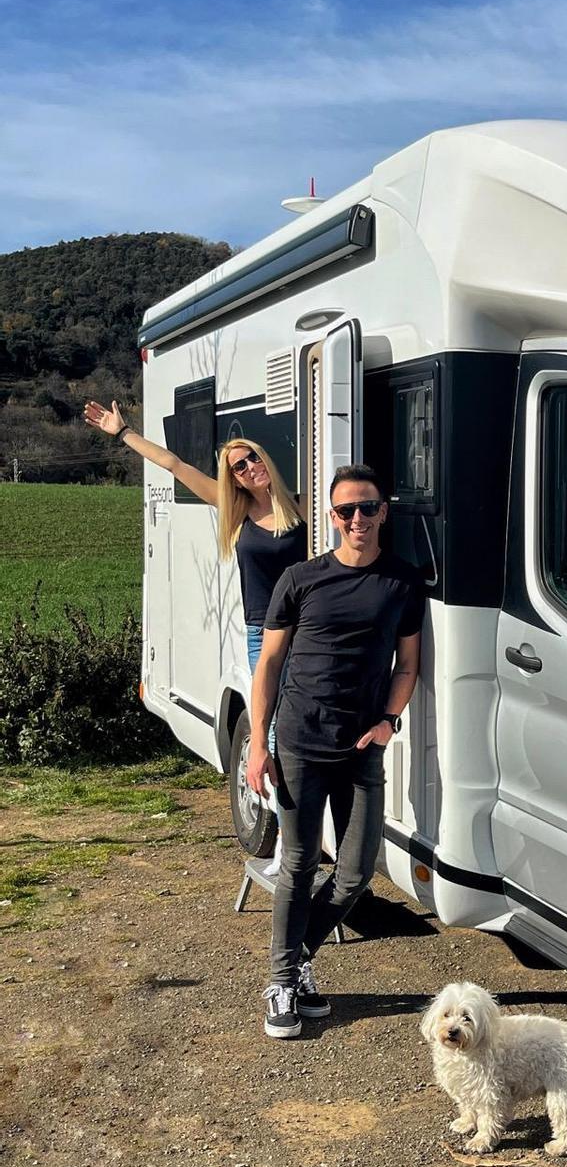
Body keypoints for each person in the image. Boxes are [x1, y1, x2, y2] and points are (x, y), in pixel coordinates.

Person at [246, 464, 423, 1038]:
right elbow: (269, 665)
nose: (357, 520)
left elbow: (409, 664)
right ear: (331, 517)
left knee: (353, 875)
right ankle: (281, 983)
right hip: (300, 741)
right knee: (298, 865)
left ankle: (294, 964)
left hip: (361, 747)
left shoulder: (402, 581)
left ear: (383, 512)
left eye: (366, 508)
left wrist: (390, 721)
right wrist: (258, 744)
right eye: (345, 511)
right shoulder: (301, 579)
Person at [82, 400, 305, 676]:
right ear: (234, 479)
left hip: (303, 627)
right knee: (271, 717)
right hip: (262, 630)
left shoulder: (301, 506)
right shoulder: (237, 511)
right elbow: (175, 465)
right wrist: (123, 432)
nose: (250, 467)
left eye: (253, 457)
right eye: (239, 466)